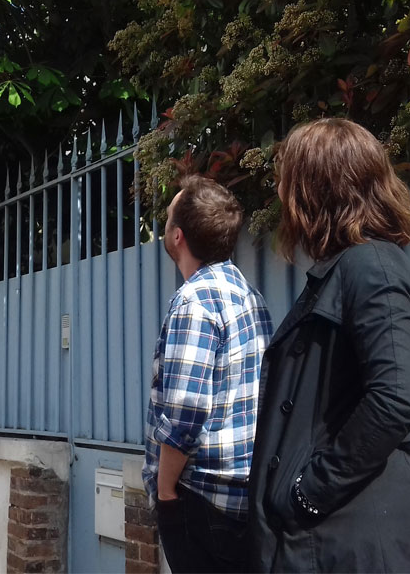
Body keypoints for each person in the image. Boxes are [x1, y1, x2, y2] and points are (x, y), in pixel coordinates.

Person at [248, 118, 410, 572]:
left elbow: (396, 398)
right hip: (335, 536)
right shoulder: (347, 268)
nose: (280, 191)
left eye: (288, 178)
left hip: (357, 539)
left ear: (318, 187)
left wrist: (308, 493)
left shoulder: (371, 266)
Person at [143, 176, 274, 573]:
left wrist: (165, 492)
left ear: (178, 236)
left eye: (167, 219)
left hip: (201, 500)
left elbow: (185, 412)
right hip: (245, 499)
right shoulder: (252, 296)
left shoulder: (193, 301)